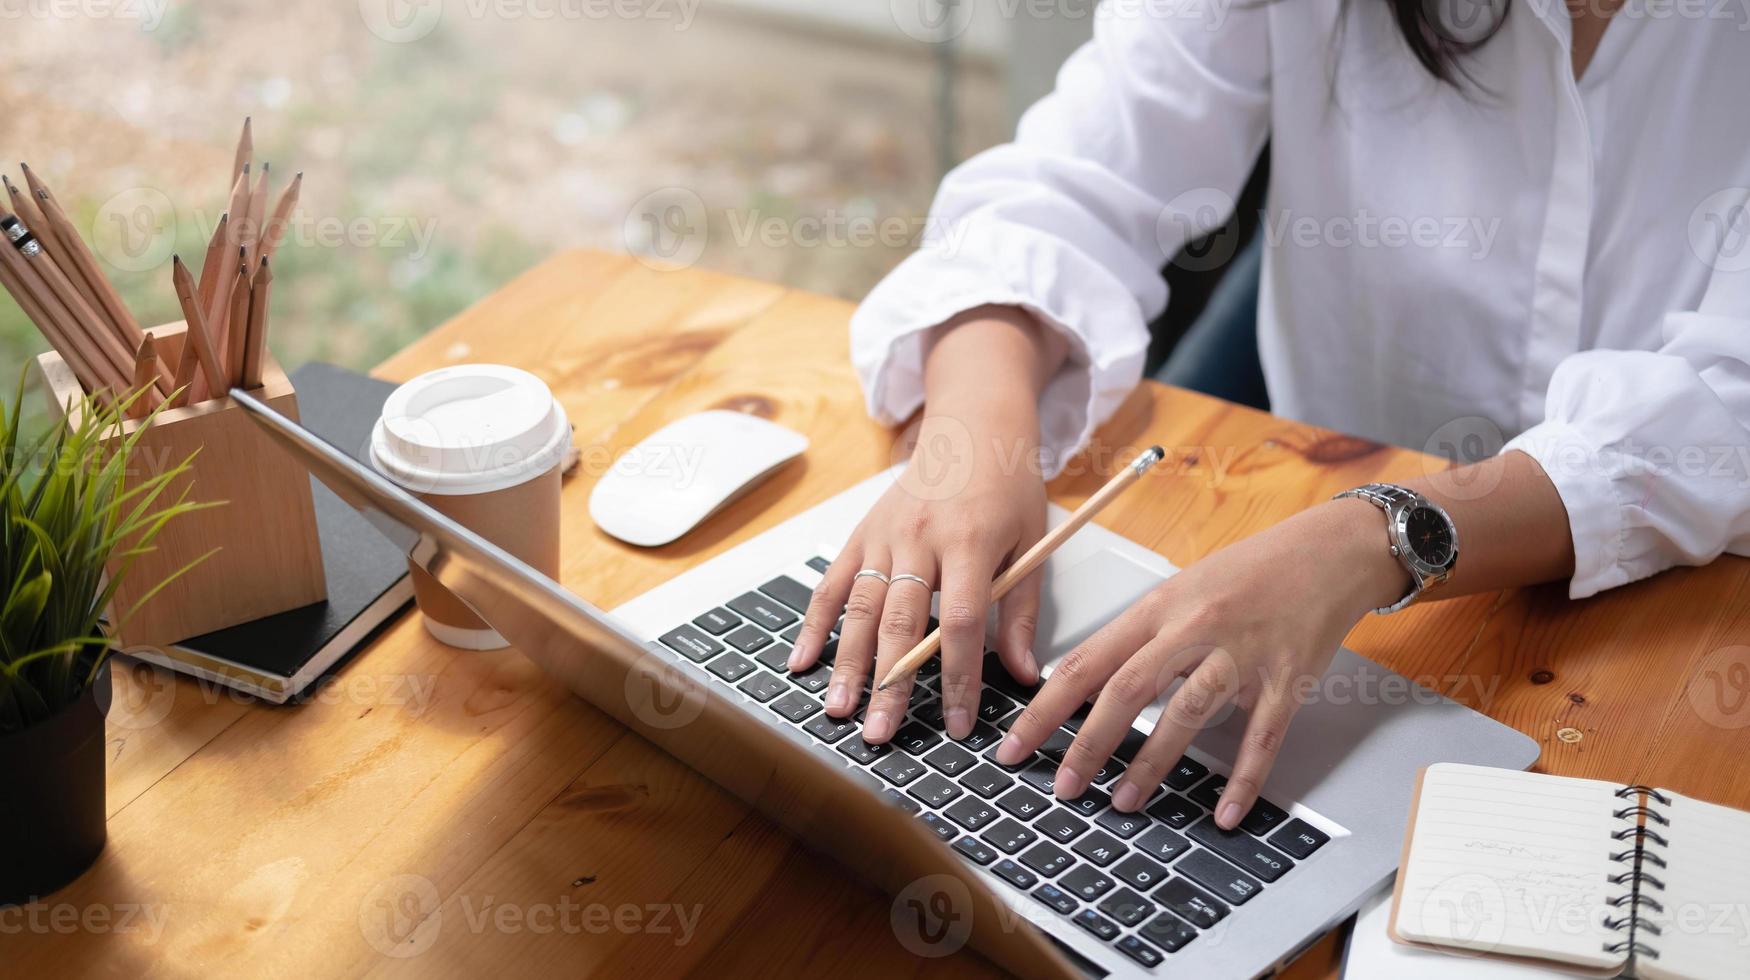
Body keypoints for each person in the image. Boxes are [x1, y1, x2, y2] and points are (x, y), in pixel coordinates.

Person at [788, 1, 1750, 830]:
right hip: (1301, 516)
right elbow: (1068, 185)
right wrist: (975, 429)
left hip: (1675, 621)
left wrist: (1371, 539)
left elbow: (1725, 405)